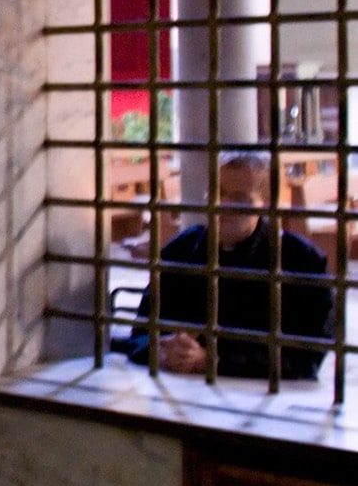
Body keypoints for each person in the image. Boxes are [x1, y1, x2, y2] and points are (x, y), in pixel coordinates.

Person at [127, 151, 335, 379]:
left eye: (239, 198)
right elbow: (139, 334)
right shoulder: (181, 250)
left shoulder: (301, 261)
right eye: (217, 193)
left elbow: (307, 357)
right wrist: (161, 348)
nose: (222, 205)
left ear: (265, 205)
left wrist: (213, 360)